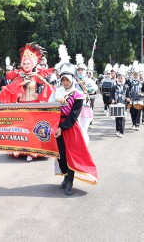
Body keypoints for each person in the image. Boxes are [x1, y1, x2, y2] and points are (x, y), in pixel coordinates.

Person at [0, 43, 53, 161]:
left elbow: (48, 86)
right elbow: (11, 89)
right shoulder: (19, 76)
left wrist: (41, 91)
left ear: (32, 64)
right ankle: (24, 150)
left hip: (34, 104)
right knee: (22, 128)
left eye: (28, 63)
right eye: (24, 63)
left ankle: (32, 151)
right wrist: (22, 82)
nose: (26, 65)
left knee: (33, 129)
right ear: (22, 64)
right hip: (22, 105)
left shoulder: (36, 76)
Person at [51, 63, 98, 196]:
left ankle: (70, 181)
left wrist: (62, 127)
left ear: (72, 80)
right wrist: (56, 103)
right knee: (60, 155)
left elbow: (73, 115)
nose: (65, 82)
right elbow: (50, 108)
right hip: (57, 126)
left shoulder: (78, 94)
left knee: (71, 155)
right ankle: (65, 175)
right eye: (63, 80)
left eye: (67, 80)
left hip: (70, 127)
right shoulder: (57, 92)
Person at [109, 71, 129, 138]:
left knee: (122, 118)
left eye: (121, 78)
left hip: (123, 104)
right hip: (116, 104)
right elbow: (111, 95)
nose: (120, 79)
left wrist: (128, 99)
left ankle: (121, 132)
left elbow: (128, 96)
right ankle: (117, 130)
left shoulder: (126, 87)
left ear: (124, 79)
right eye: (119, 78)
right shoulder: (114, 87)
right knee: (117, 118)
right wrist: (112, 100)